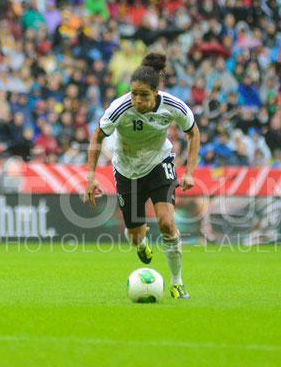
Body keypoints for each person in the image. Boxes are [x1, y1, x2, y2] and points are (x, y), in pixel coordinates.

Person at [83, 53, 200, 300]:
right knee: (135, 235)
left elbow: (193, 133)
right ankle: (141, 242)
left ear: (156, 92)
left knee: (168, 223)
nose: (137, 100)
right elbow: (97, 136)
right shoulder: (119, 108)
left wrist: (189, 172)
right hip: (126, 170)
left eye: (144, 95)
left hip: (160, 163)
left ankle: (177, 282)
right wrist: (91, 177)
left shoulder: (174, 106)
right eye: (134, 93)